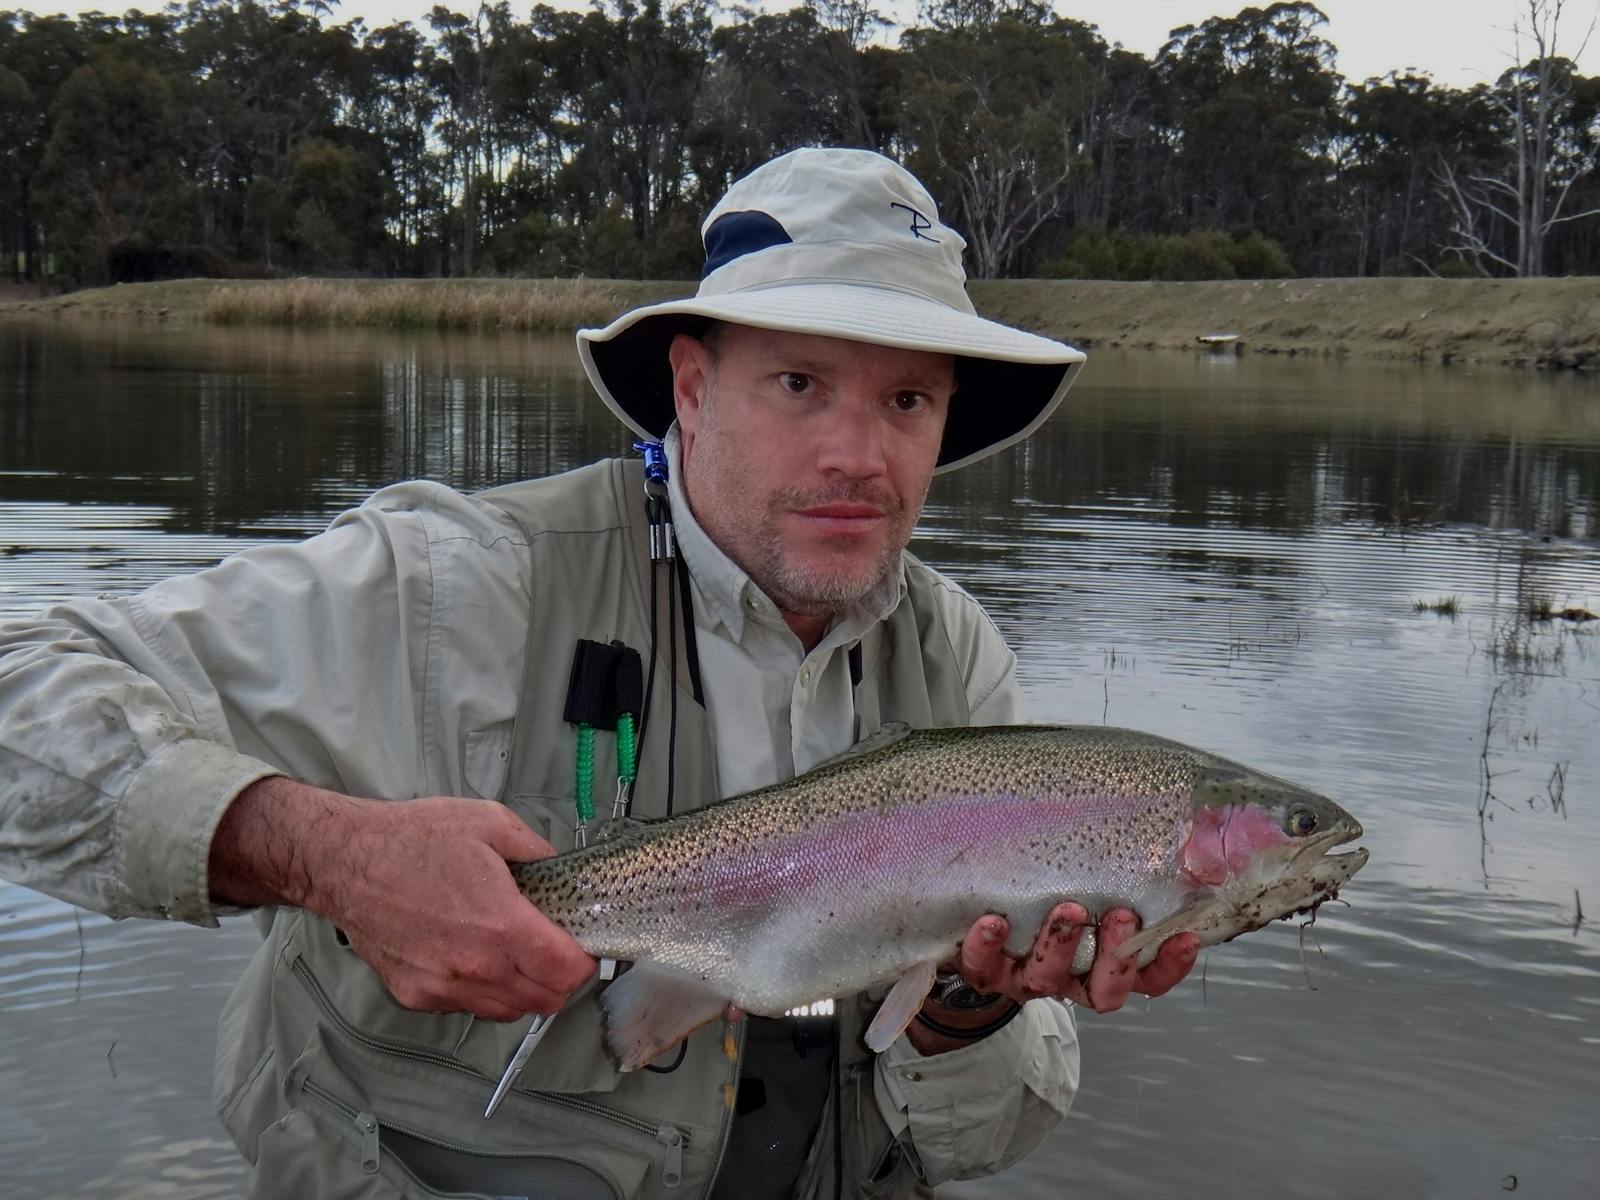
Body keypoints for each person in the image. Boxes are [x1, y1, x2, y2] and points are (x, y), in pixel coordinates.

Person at [0, 148, 1195, 1198]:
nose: (855, 453)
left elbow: (985, 1137)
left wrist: (968, 1006)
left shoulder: (959, 659)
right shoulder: (464, 586)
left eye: (905, 399)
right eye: (799, 385)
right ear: (690, 387)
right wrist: (325, 852)